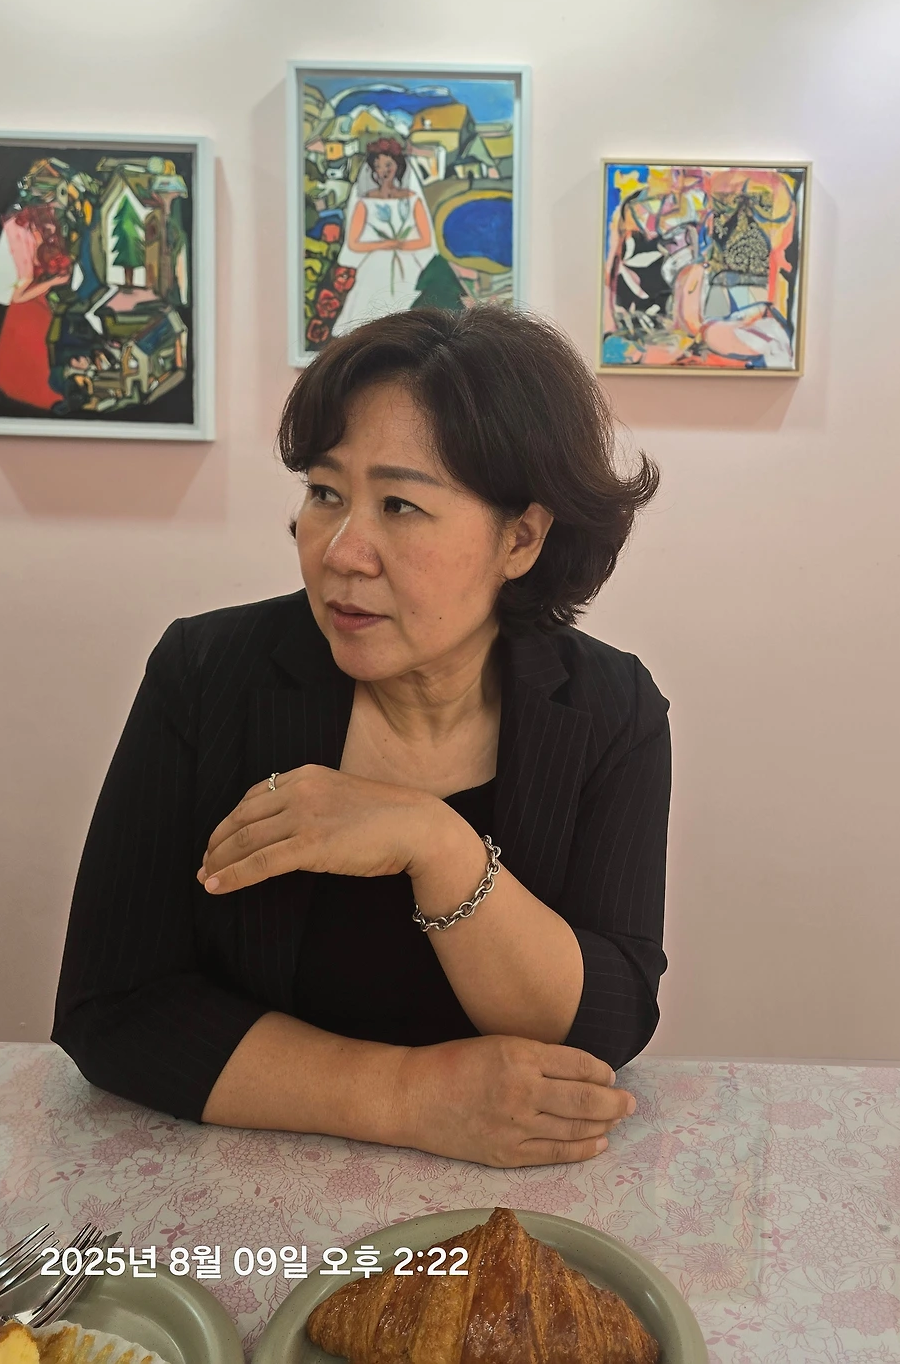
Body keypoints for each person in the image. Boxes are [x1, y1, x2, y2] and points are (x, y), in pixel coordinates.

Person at [52, 307, 669, 1169]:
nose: (342, 551)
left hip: (515, 1199)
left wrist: (437, 844)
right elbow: (112, 1007)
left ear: (522, 537)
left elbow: (608, 1023)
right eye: (325, 493)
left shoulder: (609, 708)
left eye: (400, 505)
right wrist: (407, 1096)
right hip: (246, 1184)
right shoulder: (208, 674)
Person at [331, 138, 438, 334]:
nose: (384, 171)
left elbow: (425, 239)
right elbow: (354, 243)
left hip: (409, 266)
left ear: (398, 166)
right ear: (373, 169)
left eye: (388, 165)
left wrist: (399, 244)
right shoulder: (365, 201)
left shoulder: (412, 199)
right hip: (374, 266)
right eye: (378, 166)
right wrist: (383, 245)